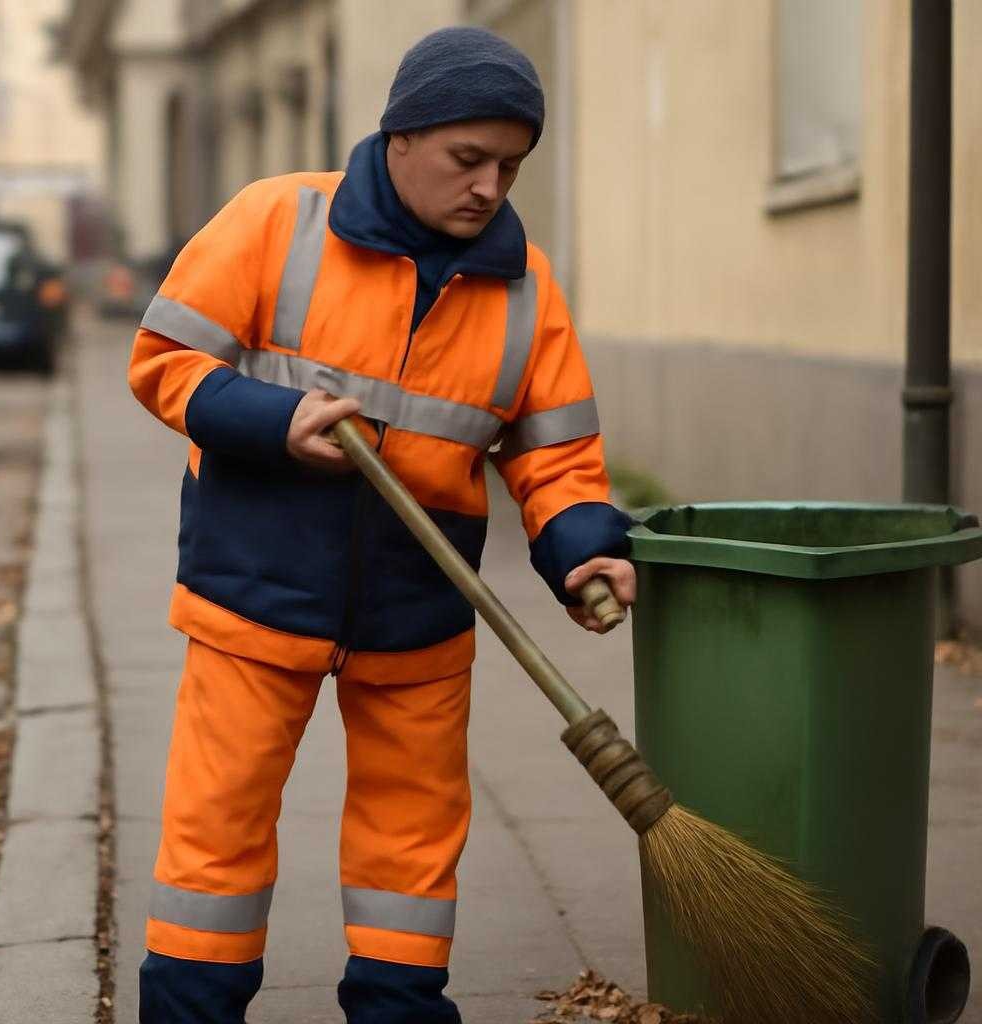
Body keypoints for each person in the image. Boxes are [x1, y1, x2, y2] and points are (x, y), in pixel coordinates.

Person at [127, 25, 635, 1024]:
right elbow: (163, 361)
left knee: (412, 837)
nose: (489, 186)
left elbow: (553, 455)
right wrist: (276, 422)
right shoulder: (278, 221)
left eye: (508, 165)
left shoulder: (525, 292)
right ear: (400, 136)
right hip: (254, 588)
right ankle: (190, 1009)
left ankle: (401, 1009)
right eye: (466, 159)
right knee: (217, 823)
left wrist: (585, 551)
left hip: (418, 608)